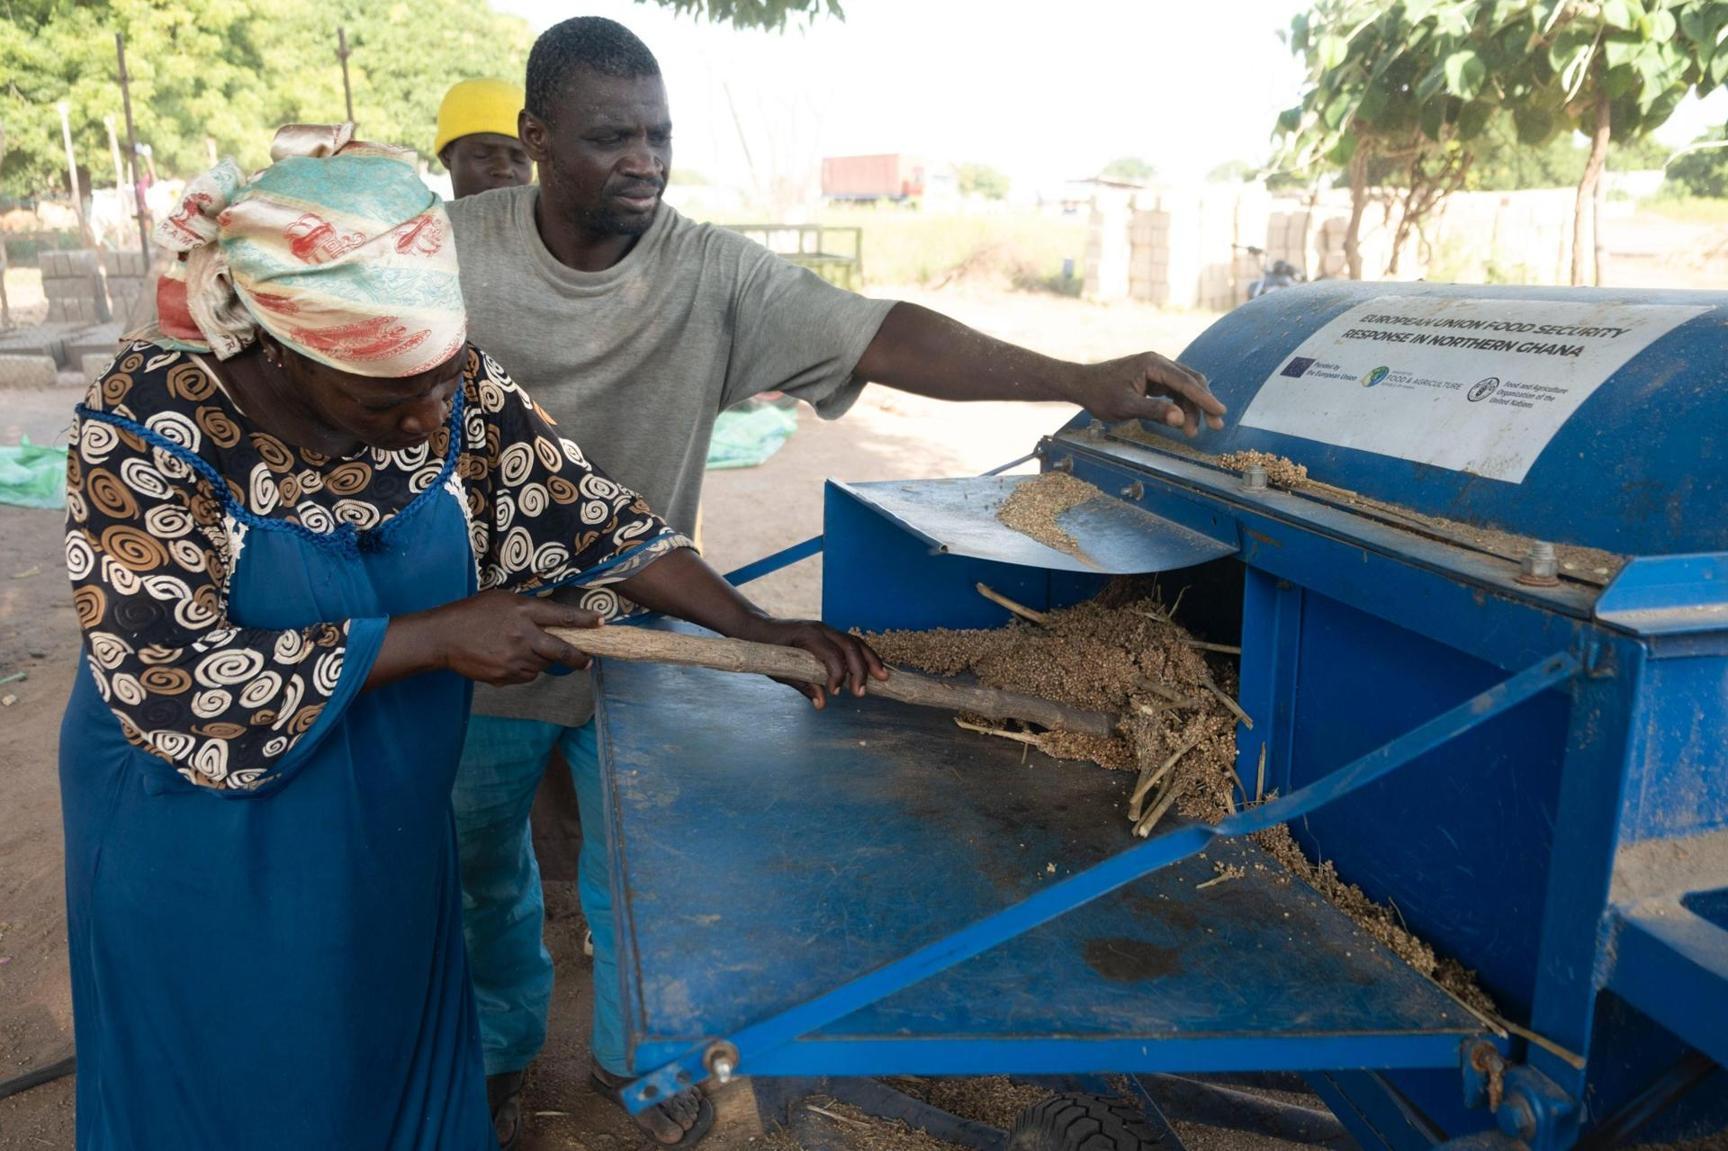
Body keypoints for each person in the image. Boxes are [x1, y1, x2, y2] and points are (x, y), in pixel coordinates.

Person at [444, 18, 1230, 1149]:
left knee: (641, 882)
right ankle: (501, 1056)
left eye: (660, 136)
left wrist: (1075, 376)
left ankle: (646, 1071)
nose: (645, 161)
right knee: (476, 873)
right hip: (478, 638)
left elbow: (878, 335)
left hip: (654, 617)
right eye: (612, 136)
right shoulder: (449, 255)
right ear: (534, 139)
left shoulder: (708, 269)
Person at [57, 122, 882, 1151]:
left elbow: (584, 514)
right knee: (246, 1068)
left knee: (382, 1027)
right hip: (208, 832)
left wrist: (754, 625)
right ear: (273, 347)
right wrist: (442, 635)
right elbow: (168, 681)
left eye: (445, 382)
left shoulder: (438, 382)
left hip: (387, 808)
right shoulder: (143, 422)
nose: (431, 417)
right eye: (389, 400)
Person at [437, 78, 534, 199]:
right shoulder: (415, 217)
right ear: (446, 155)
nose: (504, 169)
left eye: (519, 158)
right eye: (482, 155)